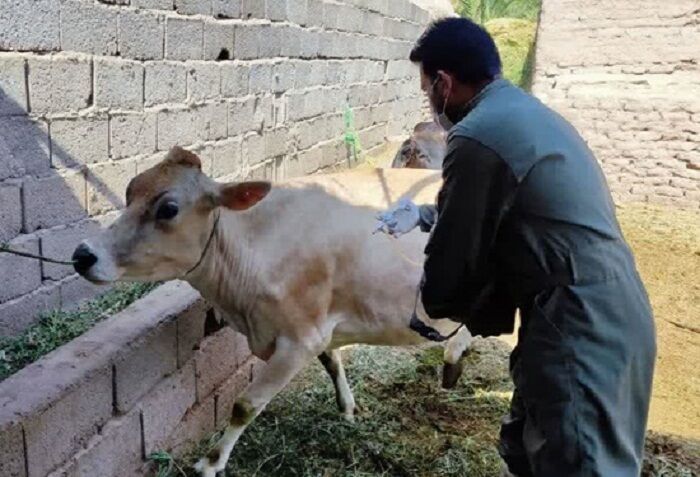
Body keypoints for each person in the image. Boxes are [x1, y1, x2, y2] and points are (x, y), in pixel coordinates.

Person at [376, 17, 656, 477]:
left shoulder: (476, 134)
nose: (430, 101)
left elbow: (458, 249)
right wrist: (423, 213)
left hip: (580, 322)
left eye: (427, 89)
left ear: (445, 84)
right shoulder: (523, 112)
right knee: (533, 447)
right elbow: (510, 211)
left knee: (579, 461)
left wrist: (432, 308)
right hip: (595, 308)